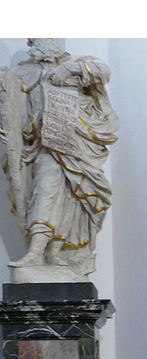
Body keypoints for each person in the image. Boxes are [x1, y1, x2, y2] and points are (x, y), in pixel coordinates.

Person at [0, 38, 119, 277]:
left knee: (73, 197)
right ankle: (36, 250)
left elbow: (102, 71)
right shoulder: (24, 75)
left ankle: (54, 252)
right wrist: (36, 121)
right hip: (48, 143)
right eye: (33, 40)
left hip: (79, 144)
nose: (36, 43)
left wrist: (69, 69)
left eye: (41, 38)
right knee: (46, 187)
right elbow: (20, 124)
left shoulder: (76, 64)